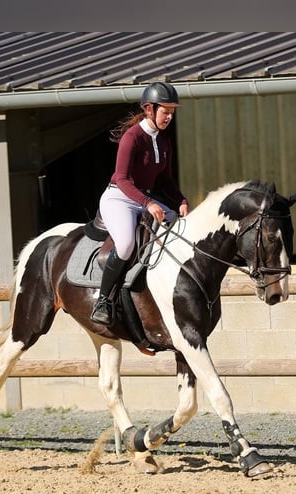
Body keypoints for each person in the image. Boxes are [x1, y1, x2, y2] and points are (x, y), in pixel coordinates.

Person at [90, 81, 190, 326]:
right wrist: (148, 203)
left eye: (171, 113)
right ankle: (103, 300)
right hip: (119, 198)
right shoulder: (131, 137)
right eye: (165, 111)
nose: (169, 117)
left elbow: (165, 182)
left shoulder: (164, 142)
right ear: (149, 109)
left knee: (181, 227)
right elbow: (122, 179)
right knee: (125, 245)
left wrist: (181, 202)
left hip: (144, 199)